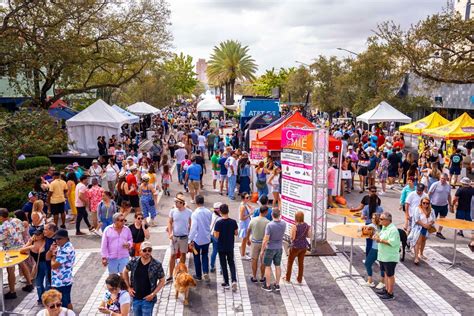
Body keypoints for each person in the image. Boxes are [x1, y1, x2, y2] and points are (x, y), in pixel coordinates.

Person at [122, 241, 166, 316]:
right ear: (140, 251)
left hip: (148, 299)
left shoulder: (156, 264)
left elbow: (162, 281)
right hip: (135, 298)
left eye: (149, 250)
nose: (147, 252)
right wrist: (128, 288)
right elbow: (124, 272)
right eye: (145, 250)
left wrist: (153, 294)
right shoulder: (134, 261)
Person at [0, 208, 34, 299]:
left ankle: (12, 292)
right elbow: (23, 230)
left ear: (1, 217)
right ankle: (29, 284)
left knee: (10, 270)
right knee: (23, 264)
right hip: (21, 246)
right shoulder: (17, 220)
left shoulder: (3, 227)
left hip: (11, 250)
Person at [374, 211, 400, 300]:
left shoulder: (393, 230)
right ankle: (386, 289)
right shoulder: (385, 227)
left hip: (390, 257)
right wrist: (376, 237)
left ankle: (390, 293)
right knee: (385, 273)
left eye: (381, 219)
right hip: (383, 256)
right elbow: (381, 236)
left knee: (390, 275)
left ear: (388, 220)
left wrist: (380, 240)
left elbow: (391, 242)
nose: (379, 220)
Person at [166, 193, 193, 282]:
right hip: (174, 237)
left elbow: (191, 224)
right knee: (172, 255)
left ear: (182, 203)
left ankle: (181, 272)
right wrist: (170, 233)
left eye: (177, 202)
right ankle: (170, 275)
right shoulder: (173, 211)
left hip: (184, 237)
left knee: (183, 255)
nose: (175, 203)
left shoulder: (189, 212)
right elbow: (169, 222)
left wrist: (191, 236)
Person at [48, 229, 76, 309]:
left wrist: (53, 256)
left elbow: (54, 265)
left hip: (62, 282)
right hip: (62, 280)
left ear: (66, 238)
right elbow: (47, 257)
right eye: (56, 239)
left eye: (59, 239)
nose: (57, 241)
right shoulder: (64, 246)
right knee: (67, 302)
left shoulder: (66, 250)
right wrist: (51, 251)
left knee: (63, 304)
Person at [21, 226, 50, 303]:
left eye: (38, 234)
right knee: (38, 283)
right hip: (38, 265)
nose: (36, 236)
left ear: (43, 235)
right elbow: (21, 250)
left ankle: (48, 300)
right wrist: (29, 243)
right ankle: (41, 299)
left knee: (48, 284)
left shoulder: (47, 241)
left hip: (47, 265)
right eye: (35, 234)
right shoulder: (32, 241)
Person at [214, 204, 238, 291]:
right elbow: (236, 233)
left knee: (223, 264)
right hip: (230, 246)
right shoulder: (233, 222)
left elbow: (216, 236)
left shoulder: (218, 223)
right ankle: (234, 280)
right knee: (231, 263)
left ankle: (226, 282)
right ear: (228, 211)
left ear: (220, 212)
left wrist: (214, 233)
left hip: (221, 247)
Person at [261, 208, 286, 292]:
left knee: (268, 266)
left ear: (272, 215)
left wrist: (262, 250)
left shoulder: (269, 225)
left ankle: (267, 285)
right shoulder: (283, 223)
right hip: (279, 247)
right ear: (279, 215)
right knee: (277, 266)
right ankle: (277, 284)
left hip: (270, 248)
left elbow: (266, 239)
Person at [189, 195, 212, 282]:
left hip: (197, 239)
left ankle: (198, 275)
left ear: (196, 202)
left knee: (196, 257)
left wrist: (190, 239)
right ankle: (205, 271)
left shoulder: (195, 213)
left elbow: (193, 228)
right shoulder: (208, 212)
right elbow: (210, 222)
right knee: (205, 255)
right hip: (206, 238)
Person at [284, 211, 311, 284]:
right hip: (303, 247)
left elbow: (292, 237)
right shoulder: (306, 225)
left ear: (296, 218)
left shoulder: (294, 226)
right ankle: (299, 279)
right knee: (301, 263)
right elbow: (309, 235)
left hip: (295, 247)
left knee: (290, 262)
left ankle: (287, 278)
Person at [408, 197, 436, 265]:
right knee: (417, 242)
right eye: (424, 203)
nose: (425, 204)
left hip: (427, 228)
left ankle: (421, 253)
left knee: (423, 241)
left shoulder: (431, 210)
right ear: (421, 203)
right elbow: (416, 220)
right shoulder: (417, 209)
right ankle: (416, 257)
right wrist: (424, 225)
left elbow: (433, 219)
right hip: (419, 228)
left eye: (427, 203)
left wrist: (429, 224)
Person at [247, 206, 269, 283]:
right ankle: (262, 277)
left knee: (254, 260)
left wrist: (247, 240)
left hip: (254, 243)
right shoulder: (267, 222)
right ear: (266, 212)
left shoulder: (253, 220)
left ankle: (254, 276)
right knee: (263, 261)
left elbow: (248, 230)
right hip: (264, 243)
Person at [363, 213, 385, 289]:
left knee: (382, 266)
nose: (371, 219)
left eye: (373, 218)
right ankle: (370, 281)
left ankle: (382, 282)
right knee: (367, 263)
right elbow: (362, 229)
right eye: (372, 217)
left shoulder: (384, 228)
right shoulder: (371, 225)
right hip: (374, 248)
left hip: (381, 249)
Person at [428, 173, 452, 240]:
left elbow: (449, 195)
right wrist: (427, 203)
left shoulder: (448, 186)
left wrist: (450, 204)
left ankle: (439, 232)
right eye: (442, 178)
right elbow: (429, 193)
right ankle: (428, 231)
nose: (443, 180)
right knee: (432, 219)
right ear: (440, 178)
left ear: (446, 179)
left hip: (444, 205)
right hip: (434, 205)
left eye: (444, 179)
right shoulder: (435, 184)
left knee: (443, 220)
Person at [238, 193, 253, 260]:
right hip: (244, 225)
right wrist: (250, 214)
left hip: (246, 224)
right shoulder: (243, 206)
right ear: (243, 198)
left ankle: (244, 251)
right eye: (247, 197)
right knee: (244, 241)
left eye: (248, 197)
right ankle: (243, 255)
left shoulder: (245, 204)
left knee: (246, 239)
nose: (248, 198)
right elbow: (241, 218)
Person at [210, 202, 222, 273]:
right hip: (217, 236)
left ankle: (212, 266)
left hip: (211, 235)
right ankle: (221, 268)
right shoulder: (220, 218)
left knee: (214, 251)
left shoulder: (213, 215)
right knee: (220, 252)